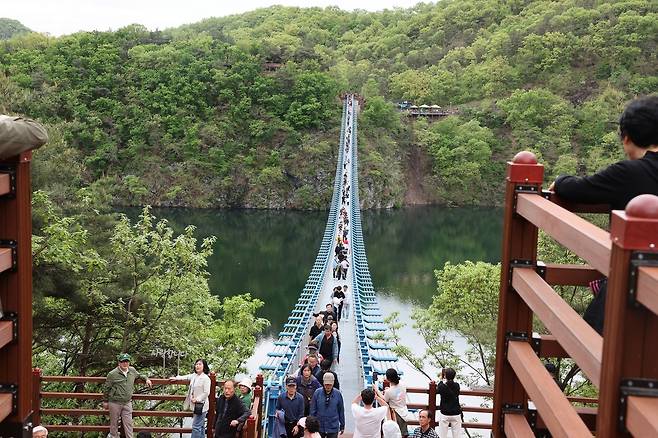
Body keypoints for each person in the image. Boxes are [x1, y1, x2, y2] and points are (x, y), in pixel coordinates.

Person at [549, 95, 658, 334]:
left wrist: (560, 180)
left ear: (627, 138)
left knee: (600, 337)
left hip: (634, 286)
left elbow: (577, 189)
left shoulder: (628, 173)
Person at [103, 353, 152, 438]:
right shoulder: (112, 374)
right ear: (119, 363)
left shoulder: (132, 370)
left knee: (128, 424)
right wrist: (105, 401)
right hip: (115, 402)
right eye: (123, 362)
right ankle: (113, 436)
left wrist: (146, 379)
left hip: (127, 402)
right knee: (114, 424)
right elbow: (106, 388)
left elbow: (140, 375)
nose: (125, 363)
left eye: (127, 361)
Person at [170, 359, 211, 438]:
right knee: (200, 426)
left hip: (201, 406)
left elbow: (206, 392)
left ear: (204, 366)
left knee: (196, 427)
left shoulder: (206, 378)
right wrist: (177, 378)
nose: (197, 366)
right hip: (195, 405)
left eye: (200, 364)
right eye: (196, 364)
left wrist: (197, 399)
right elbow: (186, 377)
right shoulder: (194, 376)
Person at [310, 373, 345, 438]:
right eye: (326, 384)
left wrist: (342, 425)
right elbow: (313, 410)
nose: (328, 386)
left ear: (333, 383)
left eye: (329, 384)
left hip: (333, 427)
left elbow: (341, 410)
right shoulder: (317, 393)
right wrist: (312, 425)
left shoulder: (338, 394)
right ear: (323, 383)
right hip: (320, 427)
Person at [383, 369, 412, 437]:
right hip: (404, 411)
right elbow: (396, 390)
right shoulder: (403, 384)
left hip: (396, 413)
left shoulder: (389, 391)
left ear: (388, 379)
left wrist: (376, 389)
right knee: (403, 432)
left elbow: (385, 399)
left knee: (396, 433)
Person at [436, 368, 461, 438]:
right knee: (457, 435)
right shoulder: (457, 385)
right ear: (454, 376)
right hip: (456, 413)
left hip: (445, 413)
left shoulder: (442, 386)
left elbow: (439, 387)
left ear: (445, 376)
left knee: (442, 435)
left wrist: (441, 379)